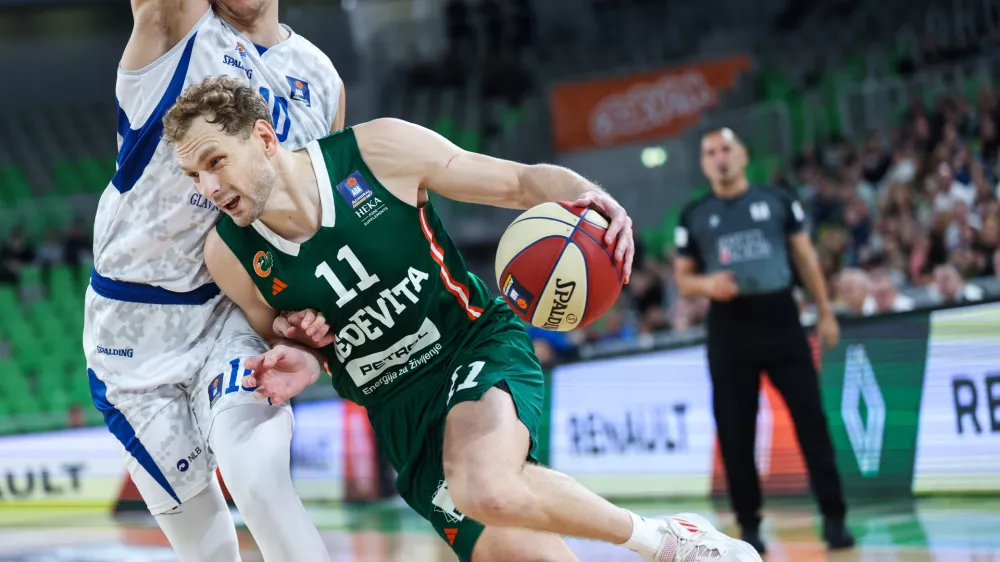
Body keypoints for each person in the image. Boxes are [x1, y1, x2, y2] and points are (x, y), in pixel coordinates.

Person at [162, 75, 764, 562]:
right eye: (194, 175)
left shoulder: (377, 152)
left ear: (264, 138)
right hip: (400, 416)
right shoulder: (230, 254)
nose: (208, 186)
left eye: (216, 161)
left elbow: (519, 183)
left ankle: (669, 544)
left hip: (469, 345)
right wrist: (303, 356)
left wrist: (588, 195)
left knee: (486, 484)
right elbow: (285, 335)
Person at [83, 1, 345, 560]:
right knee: (208, 552)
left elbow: (318, 219)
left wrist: (307, 323)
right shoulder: (177, 28)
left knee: (260, 480)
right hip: (130, 334)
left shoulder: (322, 79)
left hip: (235, 308)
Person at [673, 129, 855, 554]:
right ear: (704, 163)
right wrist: (707, 284)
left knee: (811, 420)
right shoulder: (694, 214)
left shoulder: (777, 200)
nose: (720, 158)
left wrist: (825, 311)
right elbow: (683, 279)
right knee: (736, 431)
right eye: (711, 152)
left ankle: (834, 517)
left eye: (726, 150)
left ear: (743, 155)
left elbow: (806, 257)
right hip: (729, 327)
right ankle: (749, 527)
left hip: (781, 319)